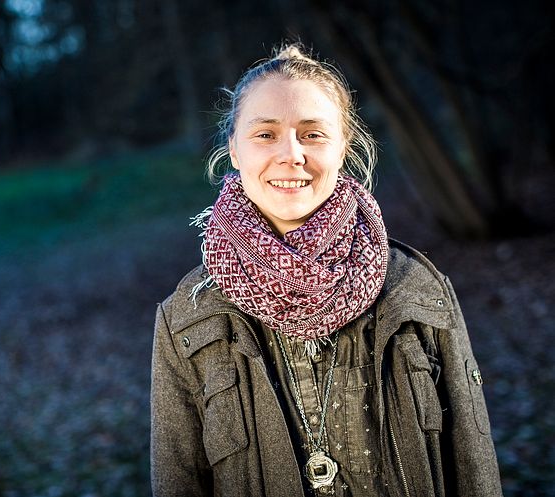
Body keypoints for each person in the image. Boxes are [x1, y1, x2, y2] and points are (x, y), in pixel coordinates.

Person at [150, 43, 502, 497]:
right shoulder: (186, 318)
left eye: (312, 133)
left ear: (343, 147)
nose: (291, 154)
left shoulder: (418, 290)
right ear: (234, 150)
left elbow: (474, 470)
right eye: (265, 134)